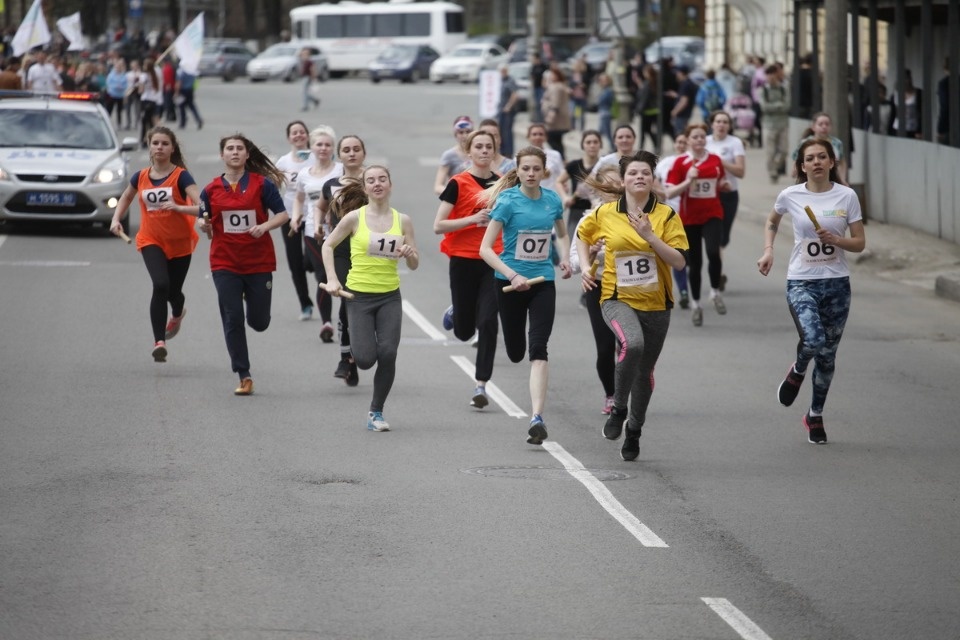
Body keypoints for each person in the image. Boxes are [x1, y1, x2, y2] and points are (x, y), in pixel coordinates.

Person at [577, 151, 689, 461]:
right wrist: (587, 267)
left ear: (653, 180)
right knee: (632, 345)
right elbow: (582, 236)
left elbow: (679, 262)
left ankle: (634, 430)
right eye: (633, 173)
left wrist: (651, 237)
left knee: (645, 372)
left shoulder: (666, 216)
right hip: (616, 297)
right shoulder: (606, 213)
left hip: (657, 303)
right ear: (624, 180)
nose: (639, 177)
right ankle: (618, 407)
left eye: (645, 173)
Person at [757, 138, 866, 444]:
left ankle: (814, 415)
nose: (816, 162)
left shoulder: (847, 196)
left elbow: (860, 243)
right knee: (814, 339)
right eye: (810, 158)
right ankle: (798, 368)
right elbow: (771, 219)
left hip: (836, 283)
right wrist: (768, 250)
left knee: (829, 356)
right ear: (802, 166)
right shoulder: (791, 195)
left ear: (832, 162)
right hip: (801, 280)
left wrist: (837, 240)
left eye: (822, 157)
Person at [478, 146, 572, 446]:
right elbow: (484, 249)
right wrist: (513, 275)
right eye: (525, 169)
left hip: (543, 281)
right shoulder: (507, 202)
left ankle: (537, 418)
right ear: (517, 170)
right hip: (509, 284)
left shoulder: (552, 201)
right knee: (516, 351)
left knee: (539, 348)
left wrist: (567, 257)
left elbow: (561, 232)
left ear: (545, 171)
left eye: (536, 169)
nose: (531, 174)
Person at [320, 166, 420, 432]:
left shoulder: (403, 220)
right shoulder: (354, 218)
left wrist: (409, 254)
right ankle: (358, 350)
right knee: (365, 359)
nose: (377, 184)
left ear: (390, 185)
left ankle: (376, 411)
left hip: (389, 296)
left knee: (388, 353)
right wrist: (332, 279)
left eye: (382, 179)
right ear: (364, 188)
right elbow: (327, 245)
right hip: (358, 297)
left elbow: (414, 264)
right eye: (371, 181)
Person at [198, 134, 289, 395]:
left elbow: (282, 215)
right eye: (230, 148)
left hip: (258, 261)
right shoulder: (211, 189)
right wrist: (203, 225)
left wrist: (264, 226)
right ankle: (243, 374)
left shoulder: (262, 185)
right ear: (222, 155)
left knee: (258, 322)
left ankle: (253, 300)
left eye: (240, 148)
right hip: (224, 261)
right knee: (232, 317)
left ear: (247, 155)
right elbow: (204, 219)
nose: (235, 152)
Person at [109, 126, 201, 362]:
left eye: (164, 144)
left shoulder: (181, 176)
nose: (159, 147)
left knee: (173, 292)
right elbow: (128, 195)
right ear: (149, 147)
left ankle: (178, 311)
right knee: (160, 285)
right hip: (151, 239)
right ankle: (159, 342)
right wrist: (116, 218)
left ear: (172, 148)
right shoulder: (139, 176)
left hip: (180, 241)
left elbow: (202, 206)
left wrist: (180, 208)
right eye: (155, 143)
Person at [434, 130, 502, 408]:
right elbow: (438, 225)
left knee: (487, 322)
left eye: (489, 147)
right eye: (479, 147)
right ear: (469, 152)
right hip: (462, 259)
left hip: (493, 259)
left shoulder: (504, 184)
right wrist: (473, 219)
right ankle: (457, 311)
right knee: (463, 331)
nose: (484, 151)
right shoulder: (458, 183)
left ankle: (481, 385)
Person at [568, 163, 621, 415]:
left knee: (629, 346)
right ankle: (611, 394)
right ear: (599, 189)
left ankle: (627, 390)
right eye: (606, 184)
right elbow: (575, 262)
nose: (612, 188)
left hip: (629, 287)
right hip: (598, 286)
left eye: (616, 183)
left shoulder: (636, 215)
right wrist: (588, 253)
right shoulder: (589, 219)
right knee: (604, 347)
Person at [665, 123, 729, 327]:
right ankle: (695, 304)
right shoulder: (680, 163)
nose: (700, 140)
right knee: (695, 263)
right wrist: (688, 181)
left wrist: (723, 185)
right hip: (689, 218)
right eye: (695, 137)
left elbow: (719, 182)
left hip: (712, 214)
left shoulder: (716, 160)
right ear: (688, 140)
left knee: (713, 252)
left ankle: (715, 292)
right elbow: (669, 193)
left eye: (703, 136)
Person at [319, 134, 367, 386]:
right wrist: (319, 223)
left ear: (363, 153)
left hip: (367, 251)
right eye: (346, 149)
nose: (351, 153)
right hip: (340, 249)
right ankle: (346, 358)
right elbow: (321, 206)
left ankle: (355, 355)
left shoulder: (373, 180)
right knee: (347, 298)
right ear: (339, 155)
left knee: (361, 300)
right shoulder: (331, 184)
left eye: (356, 149)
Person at [290, 126, 343, 342]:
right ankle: (327, 323)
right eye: (319, 144)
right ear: (311, 147)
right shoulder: (304, 174)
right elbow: (299, 198)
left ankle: (345, 320)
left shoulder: (340, 171)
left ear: (333, 148)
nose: (323, 148)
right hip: (314, 232)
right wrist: (295, 217)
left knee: (344, 278)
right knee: (323, 276)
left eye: (328, 145)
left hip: (340, 232)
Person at [274, 120, 316, 321]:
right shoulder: (283, 163)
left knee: (311, 259)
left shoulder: (317, 158)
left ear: (307, 136)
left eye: (302, 132)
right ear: (288, 138)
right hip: (289, 217)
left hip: (314, 215)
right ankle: (305, 304)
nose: (298, 135)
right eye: (294, 133)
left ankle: (310, 263)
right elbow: (273, 188)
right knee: (294, 262)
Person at [706, 110, 747, 291]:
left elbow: (740, 171)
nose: (721, 125)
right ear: (712, 124)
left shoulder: (735, 143)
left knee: (724, 236)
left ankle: (717, 266)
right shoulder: (704, 142)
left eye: (725, 122)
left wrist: (720, 161)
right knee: (714, 236)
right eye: (718, 121)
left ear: (729, 126)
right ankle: (718, 272)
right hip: (708, 195)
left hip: (729, 194)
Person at [652, 133, 690, 308]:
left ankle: (685, 288)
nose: (681, 144)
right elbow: (660, 189)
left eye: (684, 142)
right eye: (679, 141)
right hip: (672, 214)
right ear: (674, 144)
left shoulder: (693, 162)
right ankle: (682, 290)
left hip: (690, 214)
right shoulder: (665, 163)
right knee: (676, 253)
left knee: (690, 257)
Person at [557, 129, 602, 234]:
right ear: (583, 145)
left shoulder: (604, 165)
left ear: (600, 145)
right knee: (573, 244)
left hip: (598, 211)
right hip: (576, 210)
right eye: (588, 142)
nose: (592, 145)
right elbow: (559, 181)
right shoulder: (574, 165)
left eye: (595, 142)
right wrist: (565, 197)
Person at [790, 112, 848, 186]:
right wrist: (795, 171)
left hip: (831, 181)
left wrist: (842, 179)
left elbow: (842, 162)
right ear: (813, 127)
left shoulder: (837, 143)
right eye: (820, 124)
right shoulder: (805, 143)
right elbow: (796, 161)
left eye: (827, 124)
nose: (824, 127)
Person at [758, 63, 790, 184]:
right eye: (768, 75)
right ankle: (772, 172)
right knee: (770, 152)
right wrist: (778, 105)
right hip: (768, 124)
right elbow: (764, 107)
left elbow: (787, 105)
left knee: (784, 150)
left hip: (782, 123)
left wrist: (774, 107)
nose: (770, 78)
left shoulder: (783, 89)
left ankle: (776, 166)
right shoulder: (763, 90)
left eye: (773, 75)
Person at [433, 115, 472, 195]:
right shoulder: (449, 155)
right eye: (461, 132)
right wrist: (453, 195)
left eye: (468, 132)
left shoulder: (479, 152)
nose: (465, 136)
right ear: (455, 135)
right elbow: (438, 186)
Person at [541, 68, 572, 160]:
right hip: (559, 120)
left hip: (556, 121)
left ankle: (561, 158)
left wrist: (551, 116)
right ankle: (562, 158)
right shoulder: (560, 86)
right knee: (558, 141)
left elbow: (555, 103)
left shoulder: (556, 87)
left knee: (551, 138)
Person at [138, 59, 163, 149]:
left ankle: (143, 140)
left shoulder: (143, 76)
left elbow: (141, 90)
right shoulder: (155, 75)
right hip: (153, 100)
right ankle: (152, 140)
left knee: (144, 122)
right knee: (151, 123)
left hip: (145, 100)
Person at [891, 68, 922, 138]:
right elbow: (893, 113)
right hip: (897, 128)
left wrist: (920, 130)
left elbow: (922, 113)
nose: (905, 81)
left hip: (913, 128)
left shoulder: (918, 93)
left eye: (906, 78)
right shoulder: (895, 95)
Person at [497, 64, 519, 157]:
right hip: (500, 110)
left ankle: (508, 152)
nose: (503, 73)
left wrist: (508, 106)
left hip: (508, 111)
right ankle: (502, 150)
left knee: (507, 131)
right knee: (500, 131)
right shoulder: (500, 80)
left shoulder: (510, 80)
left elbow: (515, 94)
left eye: (504, 71)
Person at [670, 65, 699, 135]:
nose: (676, 75)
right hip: (686, 113)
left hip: (682, 114)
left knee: (680, 133)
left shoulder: (685, 85)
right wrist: (676, 96)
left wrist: (675, 111)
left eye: (677, 73)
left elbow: (684, 101)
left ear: (681, 73)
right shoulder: (689, 83)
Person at [176, 65, 203, 130]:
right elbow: (195, 82)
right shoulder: (192, 72)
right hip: (190, 90)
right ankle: (198, 119)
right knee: (192, 106)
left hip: (183, 91)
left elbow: (179, 82)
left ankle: (183, 123)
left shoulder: (182, 72)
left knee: (182, 107)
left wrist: (176, 92)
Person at [104, 59, 128, 129]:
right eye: (117, 67)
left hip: (120, 95)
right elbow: (108, 84)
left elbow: (126, 84)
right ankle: (107, 122)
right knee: (109, 109)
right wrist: (115, 86)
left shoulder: (123, 75)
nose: (118, 68)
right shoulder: (111, 75)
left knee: (119, 111)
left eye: (119, 67)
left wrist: (122, 87)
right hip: (112, 94)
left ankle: (119, 123)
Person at [596, 73, 615, 150]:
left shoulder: (608, 91)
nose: (601, 82)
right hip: (603, 113)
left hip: (606, 113)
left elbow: (604, 101)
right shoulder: (604, 90)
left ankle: (613, 147)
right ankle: (597, 145)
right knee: (601, 132)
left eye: (603, 80)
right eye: (600, 80)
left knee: (607, 132)